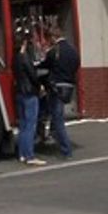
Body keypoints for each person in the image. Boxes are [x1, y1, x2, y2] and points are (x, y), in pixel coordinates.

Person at [38, 26, 79, 159]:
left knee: (57, 118)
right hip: (68, 87)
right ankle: (49, 136)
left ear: (53, 38)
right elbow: (76, 65)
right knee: (55, 115)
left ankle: (66, 150)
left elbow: (44, 65)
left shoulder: (54, 51)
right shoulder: (73, 51)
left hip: (56, 88)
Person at [12, 30, 45, 166]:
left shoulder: (15, 58)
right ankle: (30, 156)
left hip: (19, 92)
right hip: (30, 93)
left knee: (23, 125)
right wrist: (40, 87)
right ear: (25, 42)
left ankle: (22, 154)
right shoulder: (25, 57)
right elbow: (33, 75)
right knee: (31, 125)